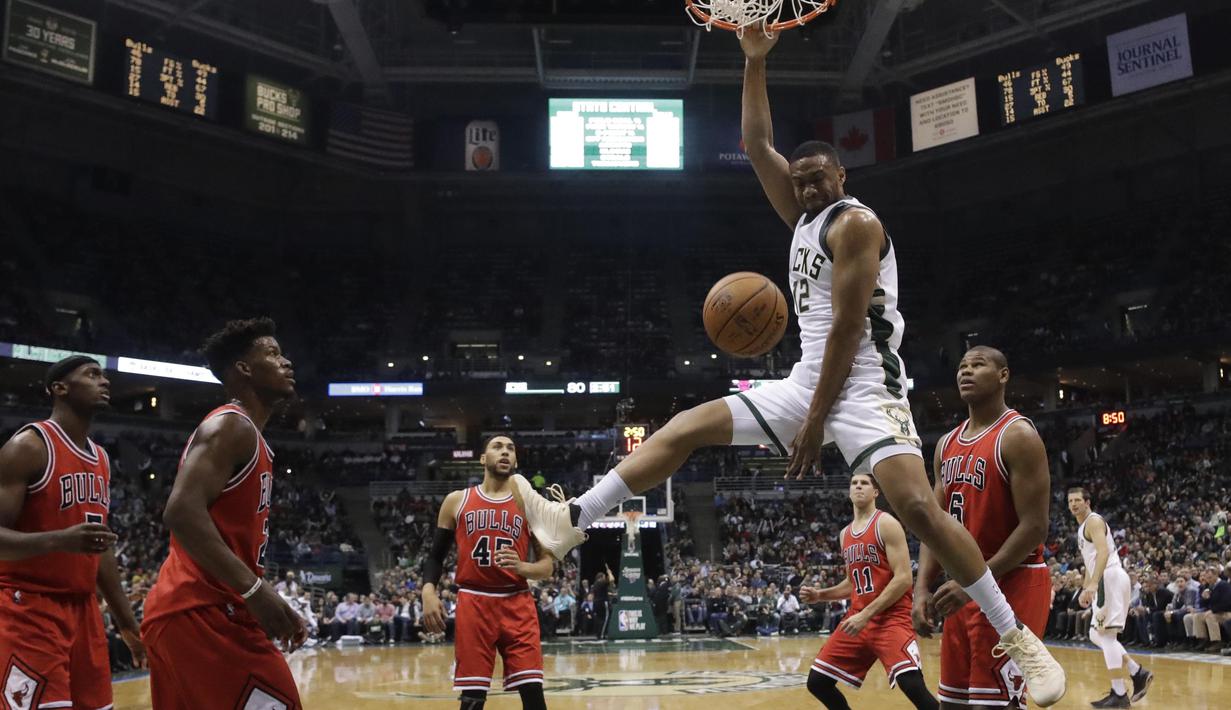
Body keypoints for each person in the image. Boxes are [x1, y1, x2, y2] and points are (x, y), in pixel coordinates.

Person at [511, 24, 1063, 707]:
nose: (803, 186)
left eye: (816, 177)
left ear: (841, 176)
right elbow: (753, 144)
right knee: (683, 427)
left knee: (918, 508)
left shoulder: (854, 224)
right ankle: (573, 519)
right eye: (797, 180)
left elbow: (847, 328)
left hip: (864, 386)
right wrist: (753, 62)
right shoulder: (801, 217)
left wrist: (812, 424)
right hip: (809, 379)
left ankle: (1017, 640)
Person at [141, 318, 306, 709]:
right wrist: (254, 591)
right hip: (203, 611)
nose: (286, 362)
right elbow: (180, 512)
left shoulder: (247, 433)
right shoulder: (231, 426)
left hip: (194, 612)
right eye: (273, 353)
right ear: (244, 369)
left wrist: (264, 595)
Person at [913, 347, 1062, 709]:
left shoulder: (1017, 435)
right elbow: (935, 524)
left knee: (994, 706)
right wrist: (920, 588)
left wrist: (972, 583)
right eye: (962, 366)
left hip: (1014, 583)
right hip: (962, 588)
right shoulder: (946, 444)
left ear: (1003, 375)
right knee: (954, 704)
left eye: (978, 365)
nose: (966, 372)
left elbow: (1034, 528)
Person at [0, 356, 146, 710]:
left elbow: (100, 549)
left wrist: (129, 625)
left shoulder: (101, 458)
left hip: (85, 612)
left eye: (104, 375)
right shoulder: (29, 447)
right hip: (29, 608)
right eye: (92, 375)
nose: (105, 381)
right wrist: (59, 540)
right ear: (59, 388)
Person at [420, 436, 552, 710]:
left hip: (517, 601)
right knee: (472, 699)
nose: (505, 452)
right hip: (474, 601)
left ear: (515, 461)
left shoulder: (532, 505)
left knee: (533, 694)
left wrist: (521, 567)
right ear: (483, 459)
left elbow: (547, 566)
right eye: (497, 447)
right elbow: (435, 557)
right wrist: (428, 590)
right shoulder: (456, 500)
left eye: (511, 449)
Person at [800, 474, 936, 709]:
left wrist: (865, 615)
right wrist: (820, 595)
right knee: (818, 682)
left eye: (864, 483)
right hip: (858, 619)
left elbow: (903, 578)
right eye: (854, 483)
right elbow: (853, 583)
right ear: (849, 492)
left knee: (912, 685)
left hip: (890, 619)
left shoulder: (886, 524)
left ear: (875, 493)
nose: (858, 486)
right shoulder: (845, 534)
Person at [1069, 487, 1153, 706]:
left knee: (1106, 637)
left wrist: (1095, 583)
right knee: (1096, 635)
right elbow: (1091, 562)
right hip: (1106, 579)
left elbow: (1103, 552)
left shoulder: (1094, 521)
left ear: (1087, 502)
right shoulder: (1081, 527)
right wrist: (1086, 588)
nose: (1074, 504)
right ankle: (1136, 671)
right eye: (1070, 501)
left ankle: (1119, 693)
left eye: (1078, 500)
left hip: (1109, 578)